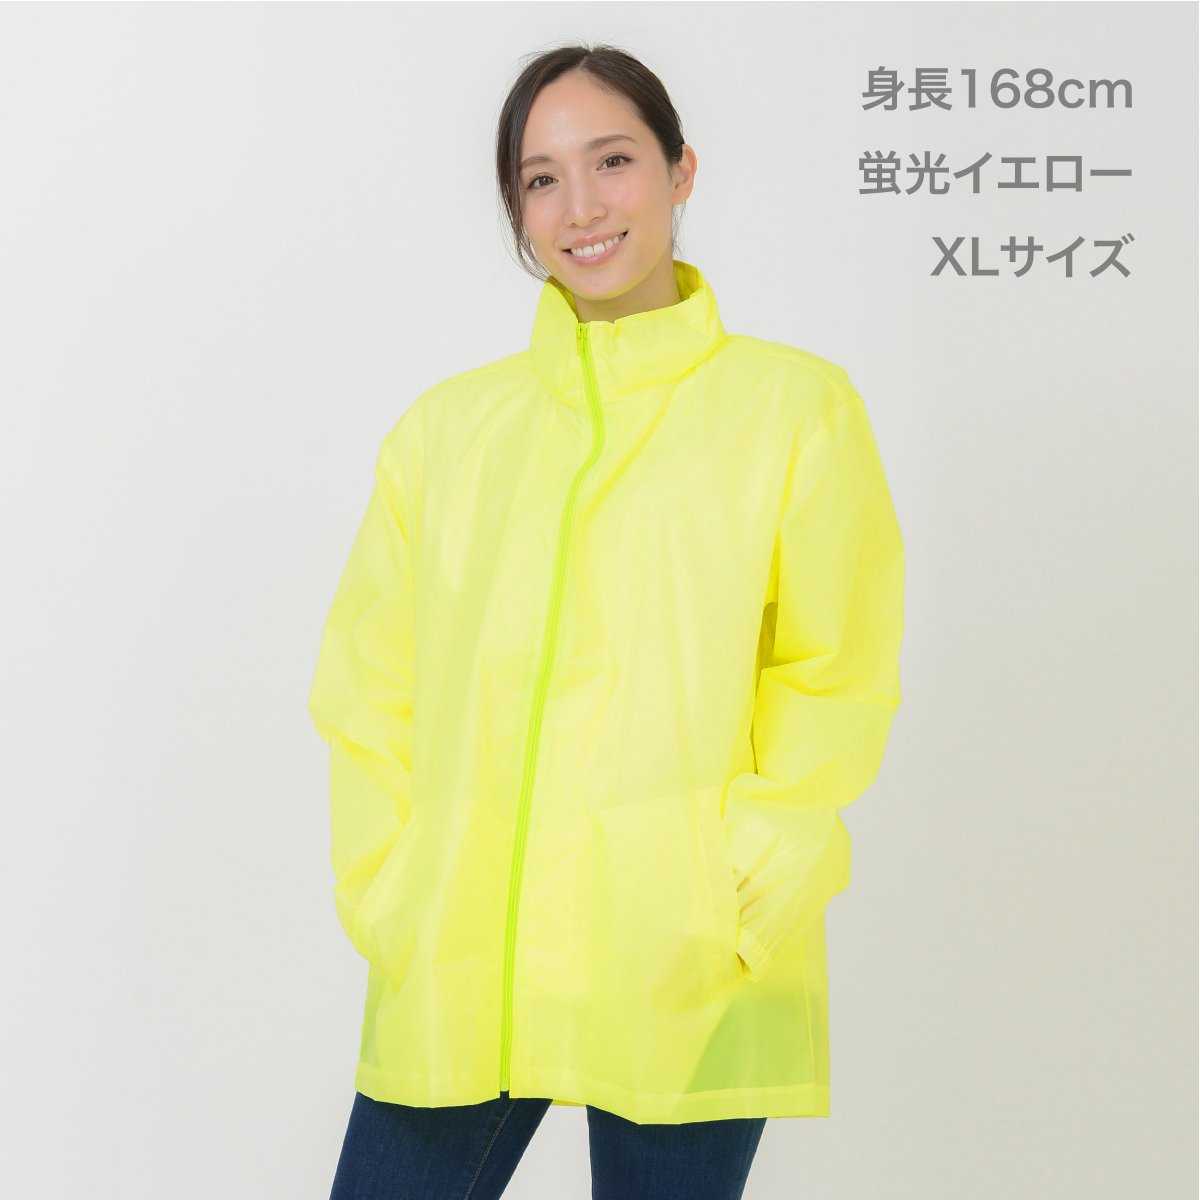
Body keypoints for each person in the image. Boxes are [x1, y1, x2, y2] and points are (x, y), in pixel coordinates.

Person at [308, 42, 905, 1200]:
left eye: (613, 161)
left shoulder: (795, 410)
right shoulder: (446, 435)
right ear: (518, 212)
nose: (580, 206)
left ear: (681, 171)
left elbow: (835, 667)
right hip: (461, 952)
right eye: (541, 179)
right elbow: (369, 685)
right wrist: (390, 889)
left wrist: (744, 883)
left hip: (687, 954)